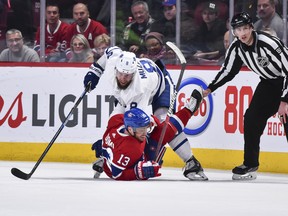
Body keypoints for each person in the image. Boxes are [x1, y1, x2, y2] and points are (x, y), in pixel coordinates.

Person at [83, 46, 208, 181]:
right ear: (116, 69)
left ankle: (191, 162)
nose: (123, 79)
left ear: (134, 73)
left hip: (160, 87)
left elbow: (139, 132)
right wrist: (95, 71)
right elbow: (110, 50)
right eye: (120, 74)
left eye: (127, 75)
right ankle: (109, 156)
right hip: (126, 96)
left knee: (163, 125)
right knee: (114, 122)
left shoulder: (140, 88)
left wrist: (150, 155)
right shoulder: (115, 61)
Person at [202, 12, 288, 180]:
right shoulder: (236, 47)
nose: (242, 33)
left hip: (285, 81)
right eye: (238, 30)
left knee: (287, 118)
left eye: (245, 29)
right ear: (234, 32)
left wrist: (284, 101)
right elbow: (228, 71)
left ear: (251, 28)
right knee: (251, 118)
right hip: (269, 83)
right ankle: (250, 163)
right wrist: (209, 89)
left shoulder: (268, 42)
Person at [91, 88, 203, 180]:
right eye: (141, 129)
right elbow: (116, 174)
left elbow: (126, 115)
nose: (144, 132)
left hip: (119, 151)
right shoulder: (132, 148)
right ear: (130, 129)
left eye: (145, 128)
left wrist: (151, 120)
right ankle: (188, 110)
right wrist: (138, 172)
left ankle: (188, 110)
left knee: (163, 127)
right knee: (166, 131)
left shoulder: (116, 121)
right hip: (130, 160)